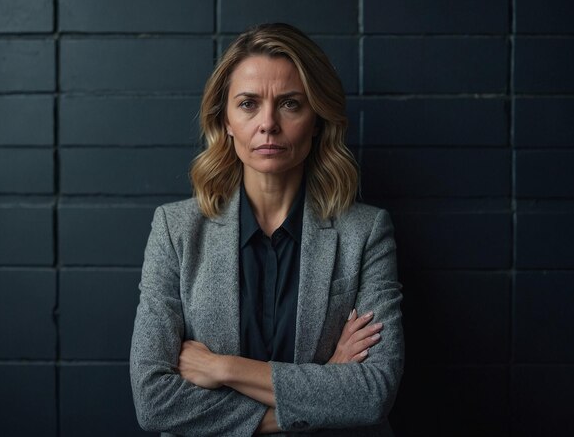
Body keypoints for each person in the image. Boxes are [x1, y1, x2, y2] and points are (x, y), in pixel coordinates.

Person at [130, 23, 404, 436]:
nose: (269, 124)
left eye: (291, 104)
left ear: (316, 120)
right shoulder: (176, 230)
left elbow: (372, 393)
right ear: (224, 120)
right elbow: (153, 401)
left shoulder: (365, 232)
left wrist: (223, 368)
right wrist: (324, 383)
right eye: (248, 104)